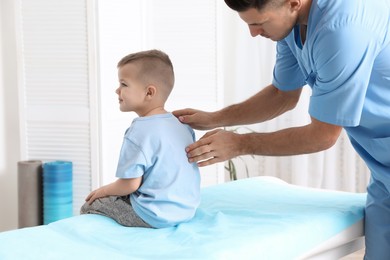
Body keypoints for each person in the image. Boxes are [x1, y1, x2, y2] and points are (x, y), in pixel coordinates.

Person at [173, 0, 390, 258]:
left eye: (258, 23)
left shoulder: (343, 29)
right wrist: (214, 118)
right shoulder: (292, 24)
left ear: (293, 3)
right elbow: (282, 95)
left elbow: (322, 136)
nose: (253, 33)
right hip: (382, 166)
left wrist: (240, 144)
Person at [81, 49, 201, 228]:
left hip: (153, 215)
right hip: (186, 210)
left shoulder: (139, 131)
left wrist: (103, 191)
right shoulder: (182, 125)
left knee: (89, 206)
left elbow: (130, 185)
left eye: (123, 84)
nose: (117, 90)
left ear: (149, 93)